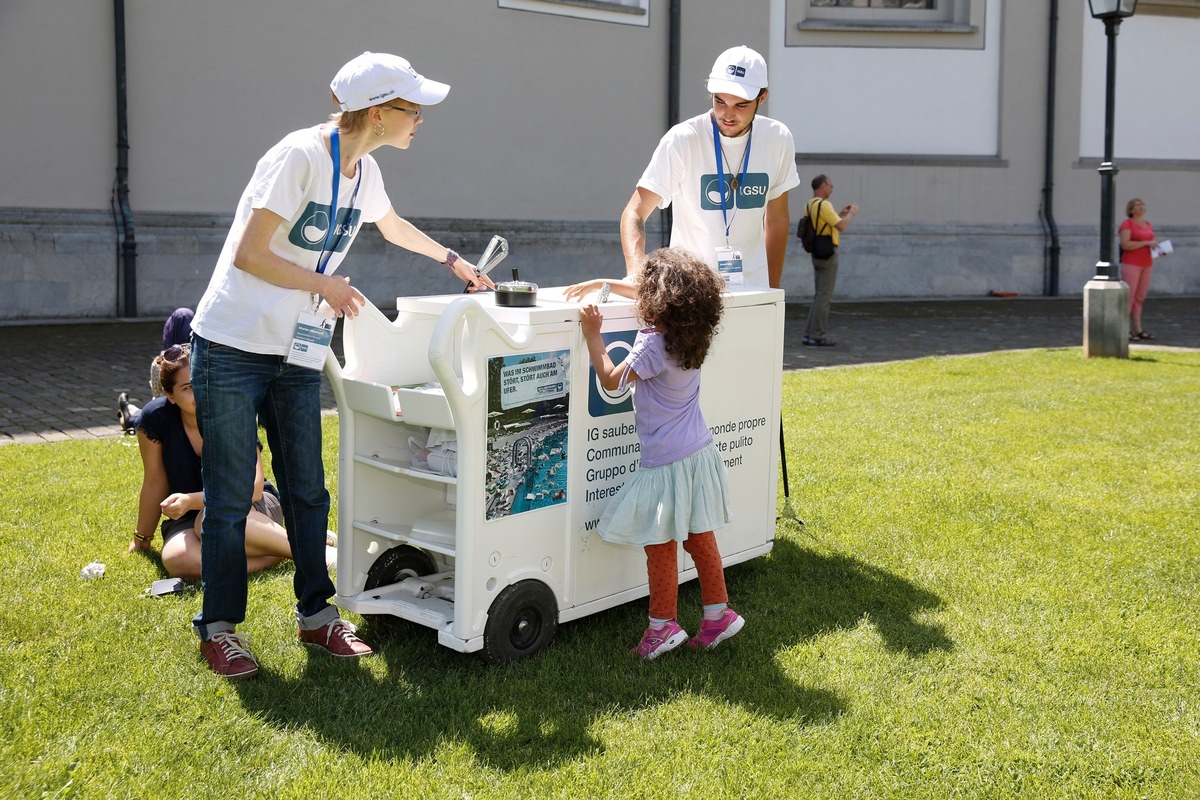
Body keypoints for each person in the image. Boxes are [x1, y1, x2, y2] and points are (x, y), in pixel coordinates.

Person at [188, 52, 493, 680]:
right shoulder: (298, 156)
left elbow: (394, 227)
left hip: (294, 350)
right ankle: (219, 629)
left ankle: (317, 617)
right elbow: (248, 252)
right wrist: (323, 285)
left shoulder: (365, 172)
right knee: (227, 498)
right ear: (378, 112)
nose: (421, 121)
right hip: (233, 345)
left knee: (307, 489)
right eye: (414, 110)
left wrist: (455, 263)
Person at [578, 247, 744, 660]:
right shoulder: (688, 334)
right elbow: (642, 294)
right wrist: (603, 283)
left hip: (667, 462)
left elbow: (613, 381)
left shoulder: (652, 346)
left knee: (660, 545)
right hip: (698, 451)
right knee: (699, 539)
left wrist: (592, 335)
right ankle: (718, 615)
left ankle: (662, 627)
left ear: (658, 301)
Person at [126, 344, 333, 581]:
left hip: (251, 509)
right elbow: (155, 480)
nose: (202, 392)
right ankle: (283, 549)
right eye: (188, 388)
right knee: (178, 559)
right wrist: (142, 539)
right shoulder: (155, 418)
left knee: (209, 518)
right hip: (187, 516)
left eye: (205, 381)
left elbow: (253, 490)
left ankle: (318, 555)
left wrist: (191, 500)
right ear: (170, 396)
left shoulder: (232, 409)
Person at [619, 46, 800, 290]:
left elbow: (777, 219)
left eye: (741, 105)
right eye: (720, 101)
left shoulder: (778, 138)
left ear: (763, 97)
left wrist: (772, 292)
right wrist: (636, 276)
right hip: (690, 296)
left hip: (752, 294)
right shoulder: (682, 139)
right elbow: (635, 212)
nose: (727, 114)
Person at [800, 174, 858, 347]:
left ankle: (809, 334)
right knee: (824, 296)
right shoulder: (824, 205)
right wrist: (852, 214)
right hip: (827, 253)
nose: (831, 189)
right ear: (823, 186)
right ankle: (817, 335)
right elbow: (842, 226)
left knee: (818, 295)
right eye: (830, 186)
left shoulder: (810, 204)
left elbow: (827, 221)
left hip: (816, 251)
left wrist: (842, 213)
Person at [118, 307, 194, 432]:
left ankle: (131, 414)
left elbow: (158, 398)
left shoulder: (160, 361)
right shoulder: (204, 359)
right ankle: (131, 414)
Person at [1119, 197, 1159, 341]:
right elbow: (1125, 244)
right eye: (1137, 205)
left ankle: (1138, 330)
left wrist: (1156, 247)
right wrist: (1146, 243)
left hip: (1146, 263)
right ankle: (1124, 329)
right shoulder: (1127, 224)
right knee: (1129, 298)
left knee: (1139, 298)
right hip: (1131, 264)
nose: (1141, 207)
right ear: (1131, 210)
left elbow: (1148, 243)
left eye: (1142, 204)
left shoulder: (1147, 224)